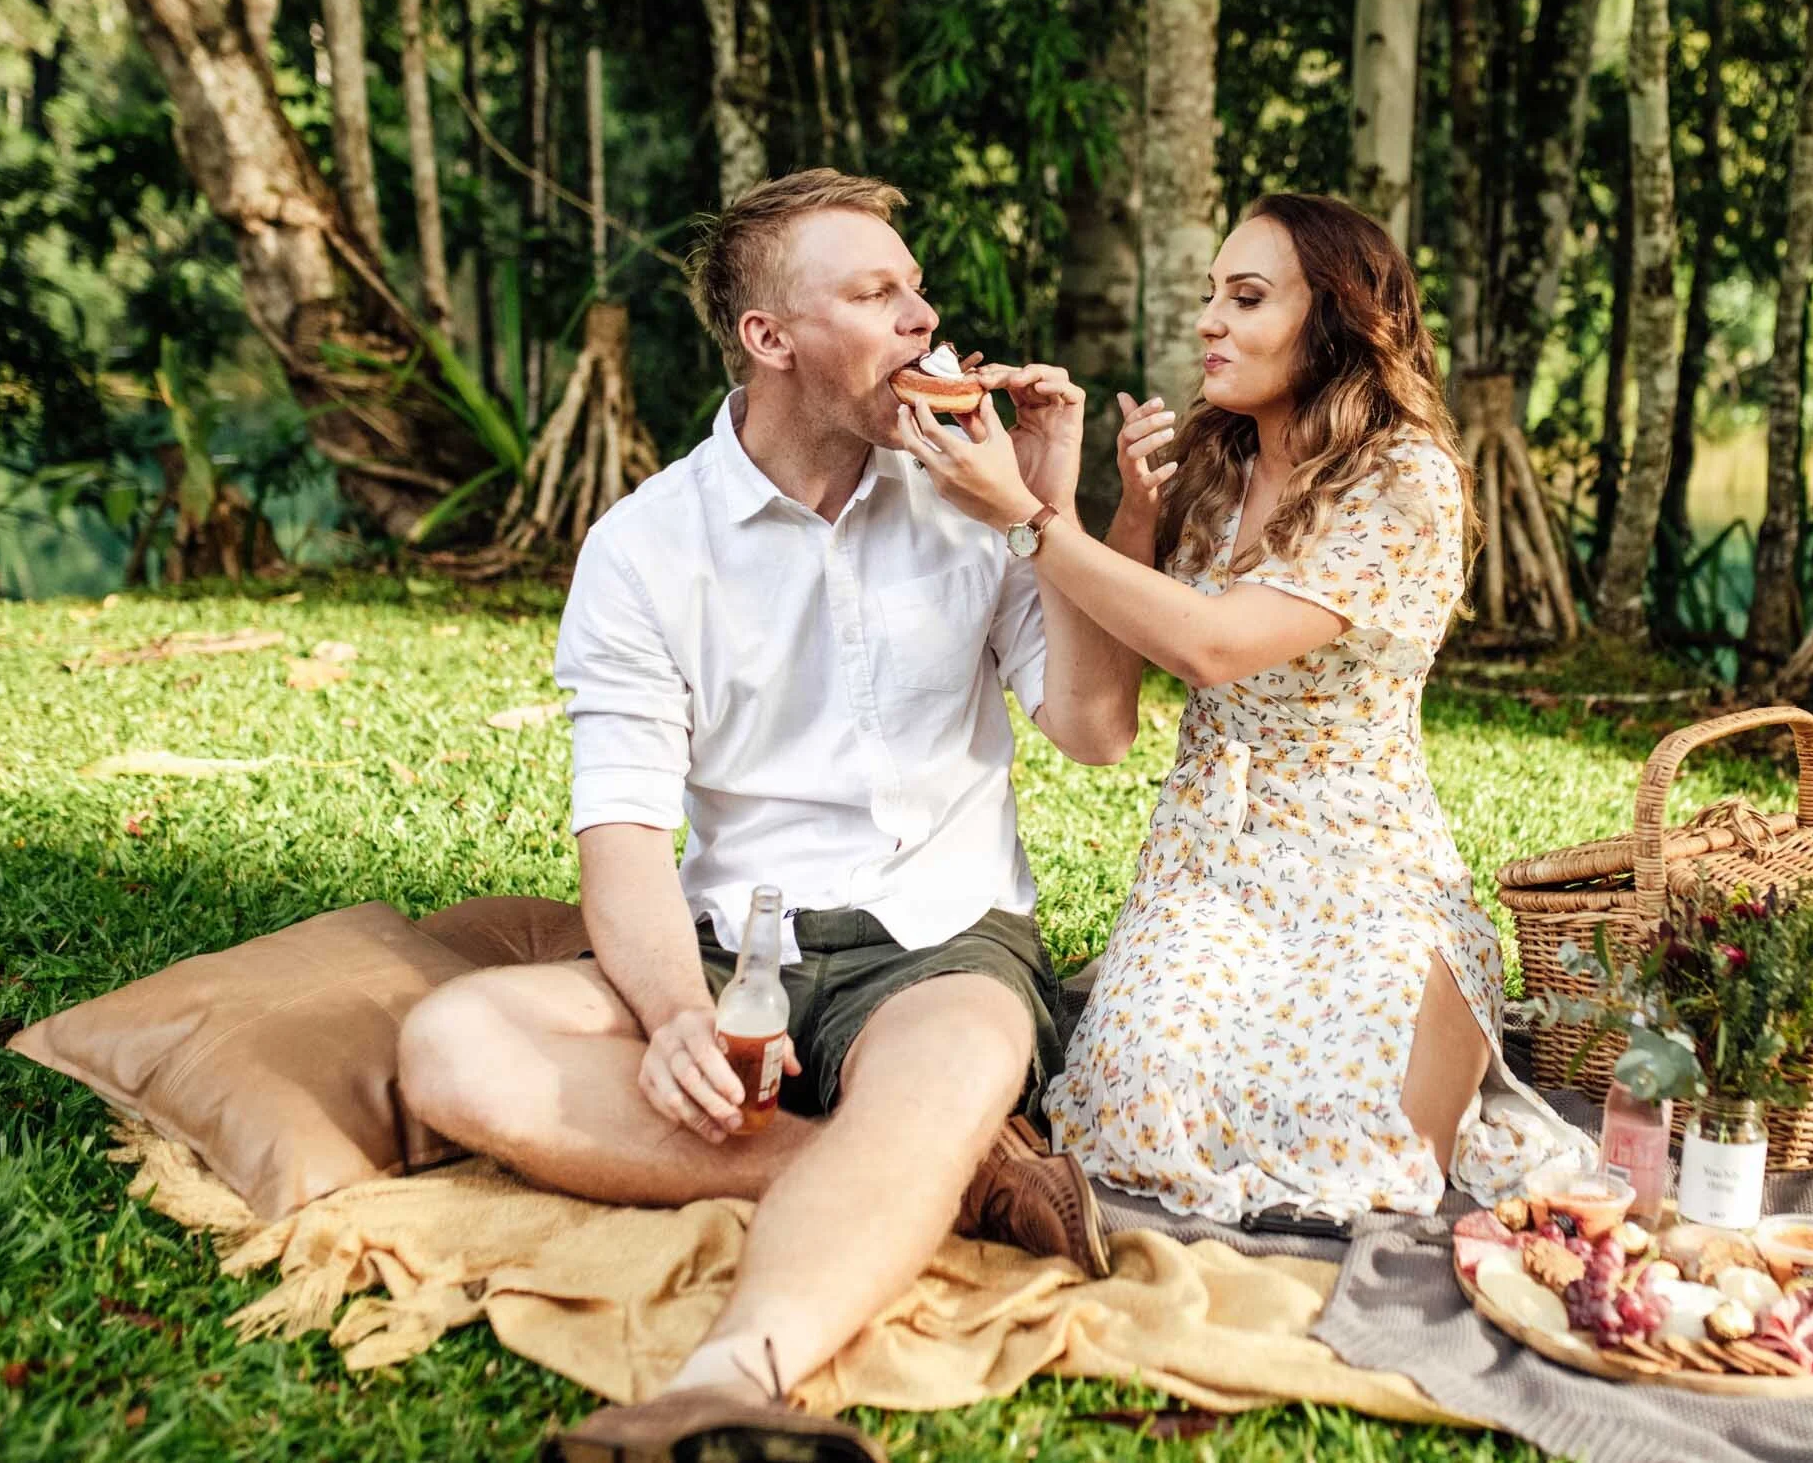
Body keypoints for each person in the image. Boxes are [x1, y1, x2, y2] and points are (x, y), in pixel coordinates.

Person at [396, 169, 1145, 1463]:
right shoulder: (644, 546)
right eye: (877, 293)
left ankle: (731, 1373)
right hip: (739, 946)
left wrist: (1048, 511)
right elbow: (623, 838)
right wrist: (678, 1011)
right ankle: (940, 1174)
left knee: (956, 1058)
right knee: (453, 1042)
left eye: (918, 290)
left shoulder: (978, 504)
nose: (924, 318)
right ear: (770, 337)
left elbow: (1096, 729)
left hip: (942, 940)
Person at [905, 192, 1585, 1227]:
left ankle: (1433, 1007)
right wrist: (1113, 506)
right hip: (1208, 863)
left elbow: (1214, 646)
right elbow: (1099, 712)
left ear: (1337, 317)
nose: (1209, 321)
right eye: (1210, 295)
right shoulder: (1214, 474)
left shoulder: (1406, 478)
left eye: (1247, 296)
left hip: (1364, 865)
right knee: (1135, 1105)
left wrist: (1021, 516)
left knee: (1362, 1141)